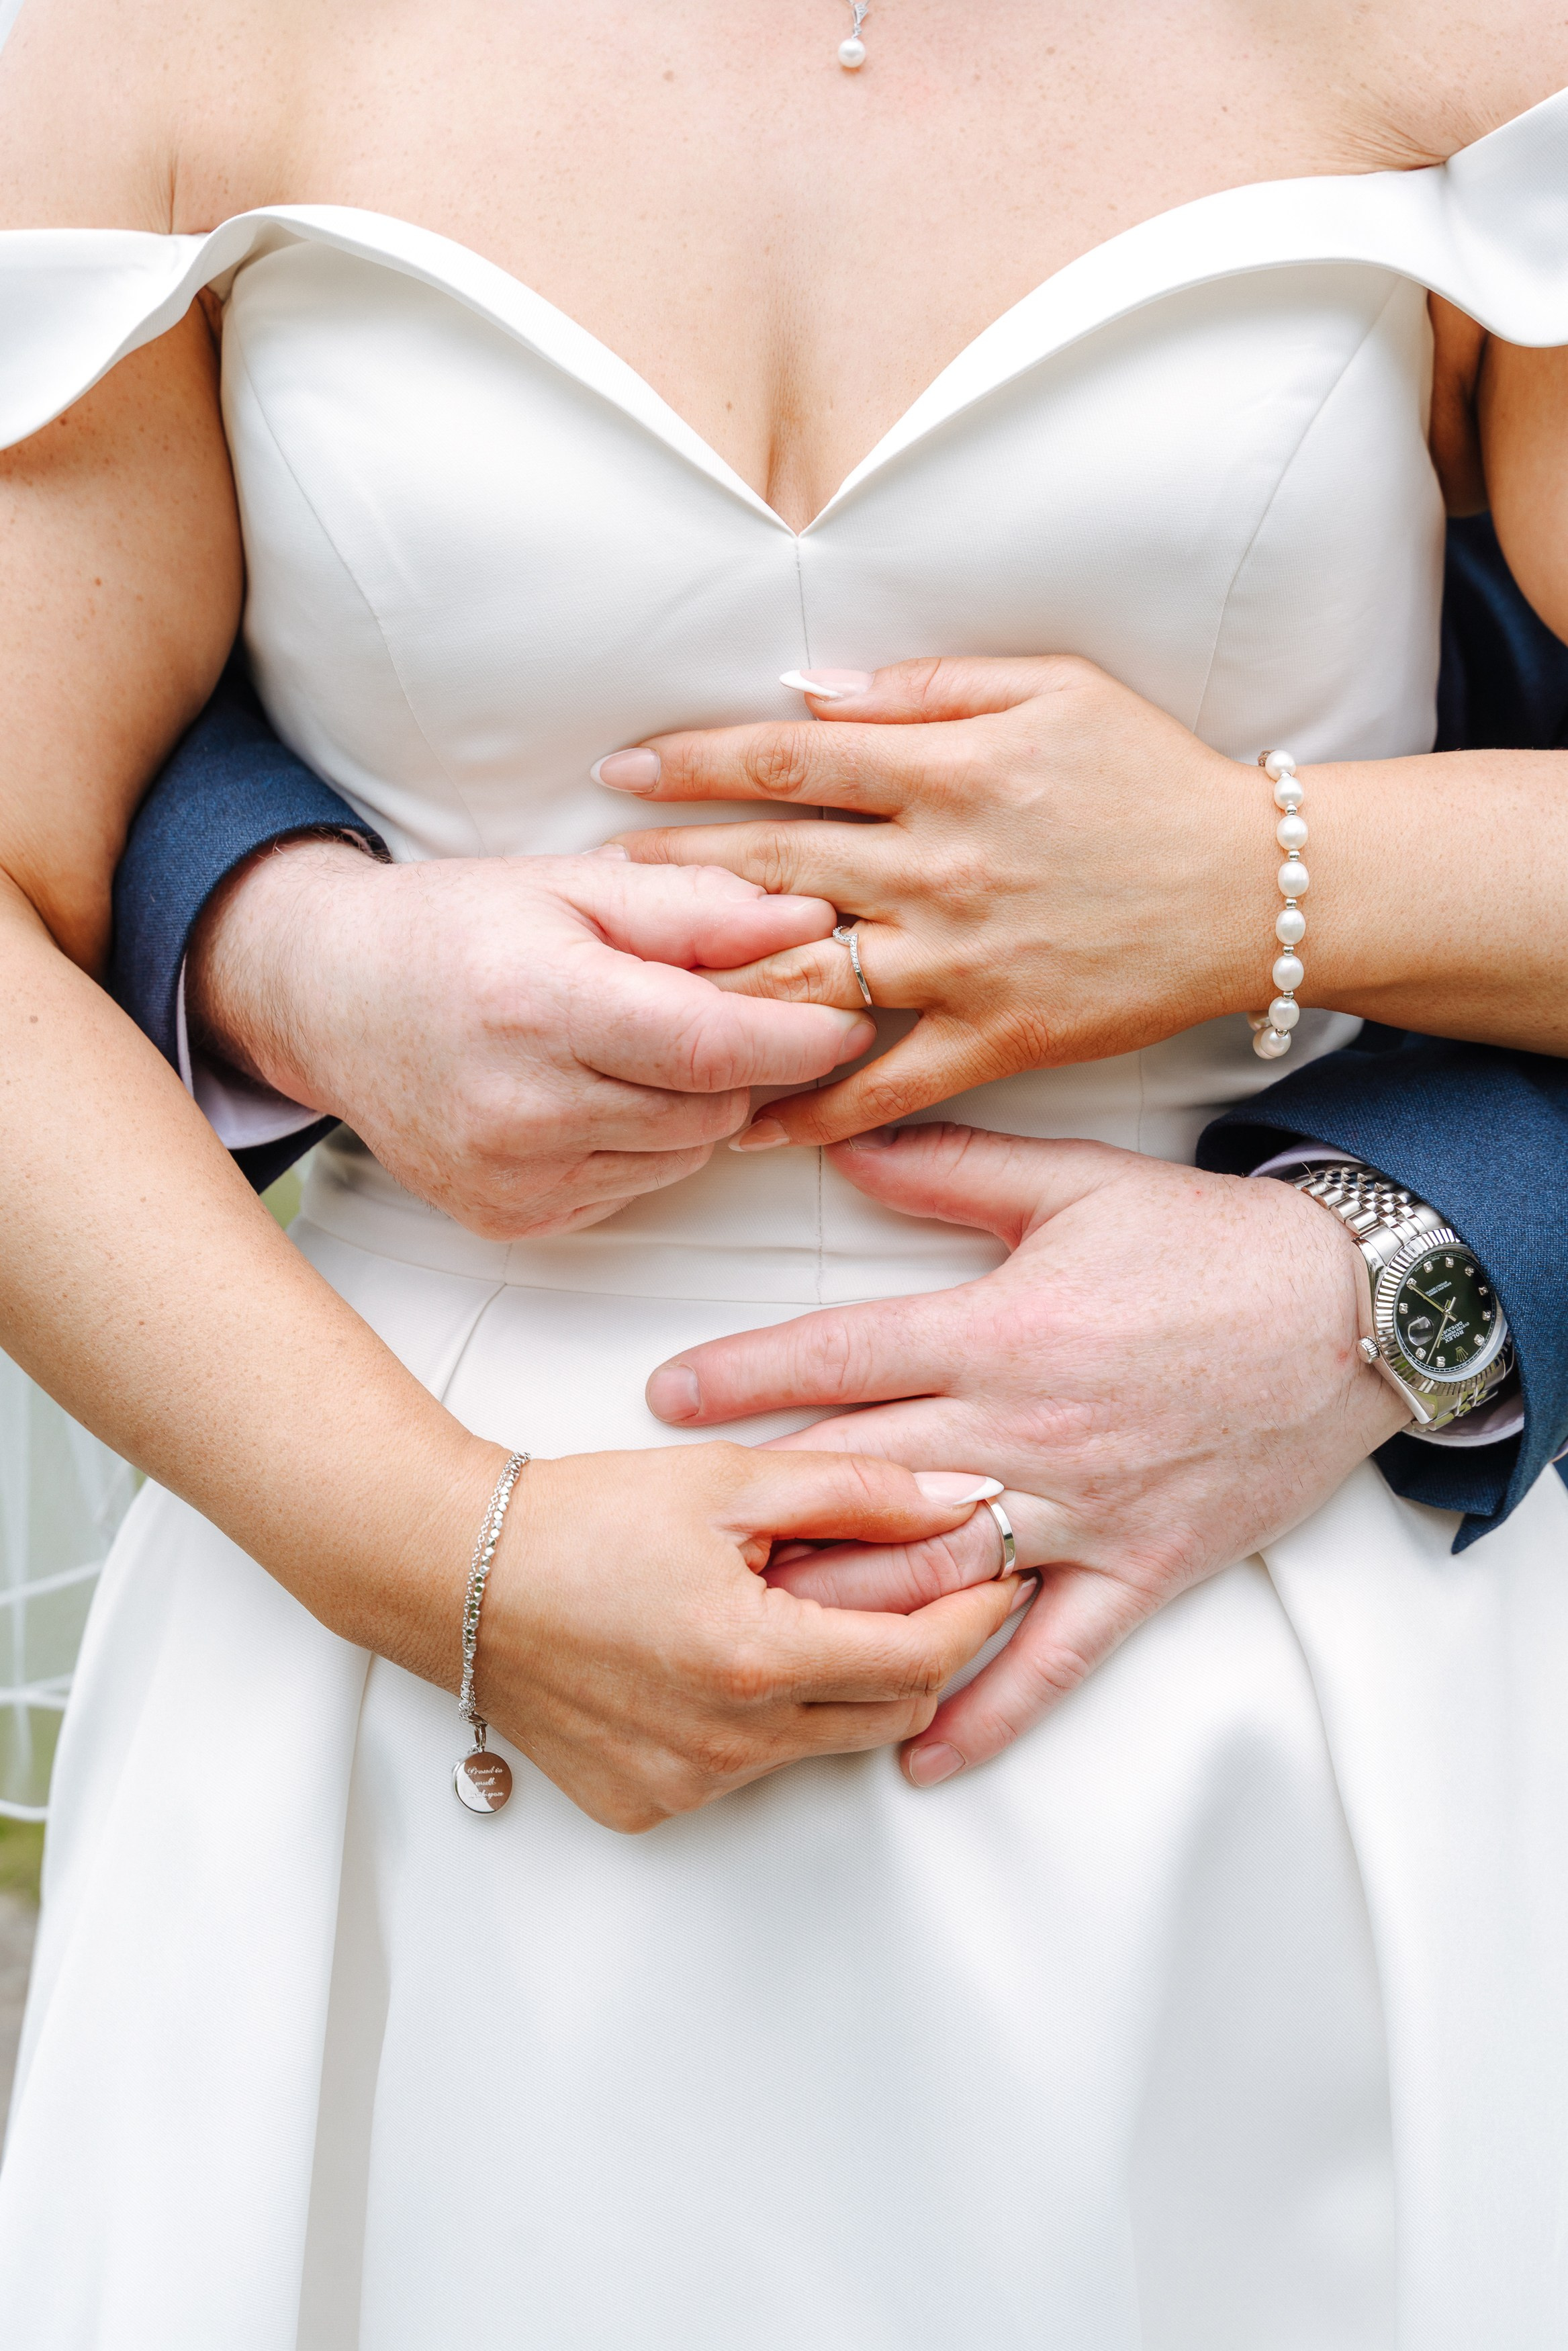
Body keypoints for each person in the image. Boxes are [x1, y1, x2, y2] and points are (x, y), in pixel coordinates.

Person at [2, 3, 1568, 2341]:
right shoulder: (157, 40)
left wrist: (1262, 874)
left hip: (1271, 1628)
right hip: (404, 1620)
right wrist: (450, 1556)